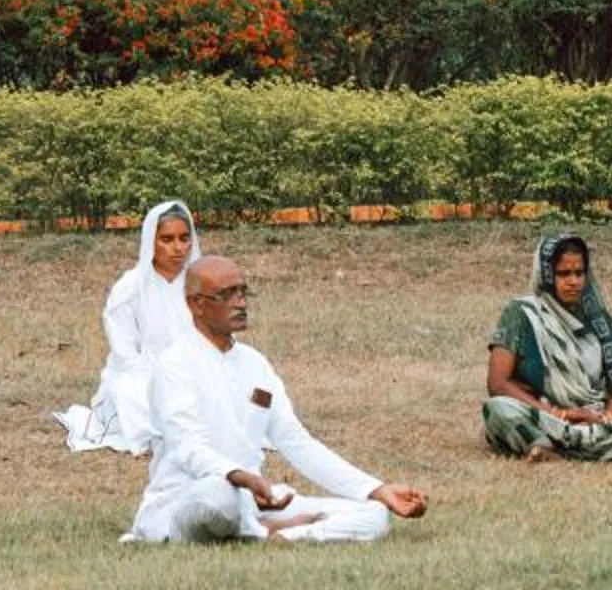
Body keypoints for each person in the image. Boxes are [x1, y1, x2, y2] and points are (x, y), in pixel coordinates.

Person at [125, 254, 429, 545]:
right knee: (218, 498)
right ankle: (260, 531)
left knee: (373, 515)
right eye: (227, 295)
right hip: (189, 497)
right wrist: (244, 478)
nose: (240, 303)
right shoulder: (173, 365)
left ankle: (282, 536)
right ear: (196, 304)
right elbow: (188, 449)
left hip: (256, 500)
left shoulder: (255, 364)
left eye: (243, 292)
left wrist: (377, 490)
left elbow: (296, 442)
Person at [483, 231, 612, 463]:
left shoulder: (599, 321)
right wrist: (561, 415)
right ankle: (578, 447)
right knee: (499, 410)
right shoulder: (521, 314)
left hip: (594, 423)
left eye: (579, 273)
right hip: (546, 418)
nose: (574, 281)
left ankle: (557, 449)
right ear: (547, 276)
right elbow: (497, 384)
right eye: (564, 274)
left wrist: (605, 418)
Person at [55, 199, 201, 452]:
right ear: (150, 241)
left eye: (184, 238)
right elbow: (125, 355)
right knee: (131, 394)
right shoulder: (130, 288)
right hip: (142, 376)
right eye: (167, 240)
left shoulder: (202, 283)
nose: (178, 248)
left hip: (195, 372)